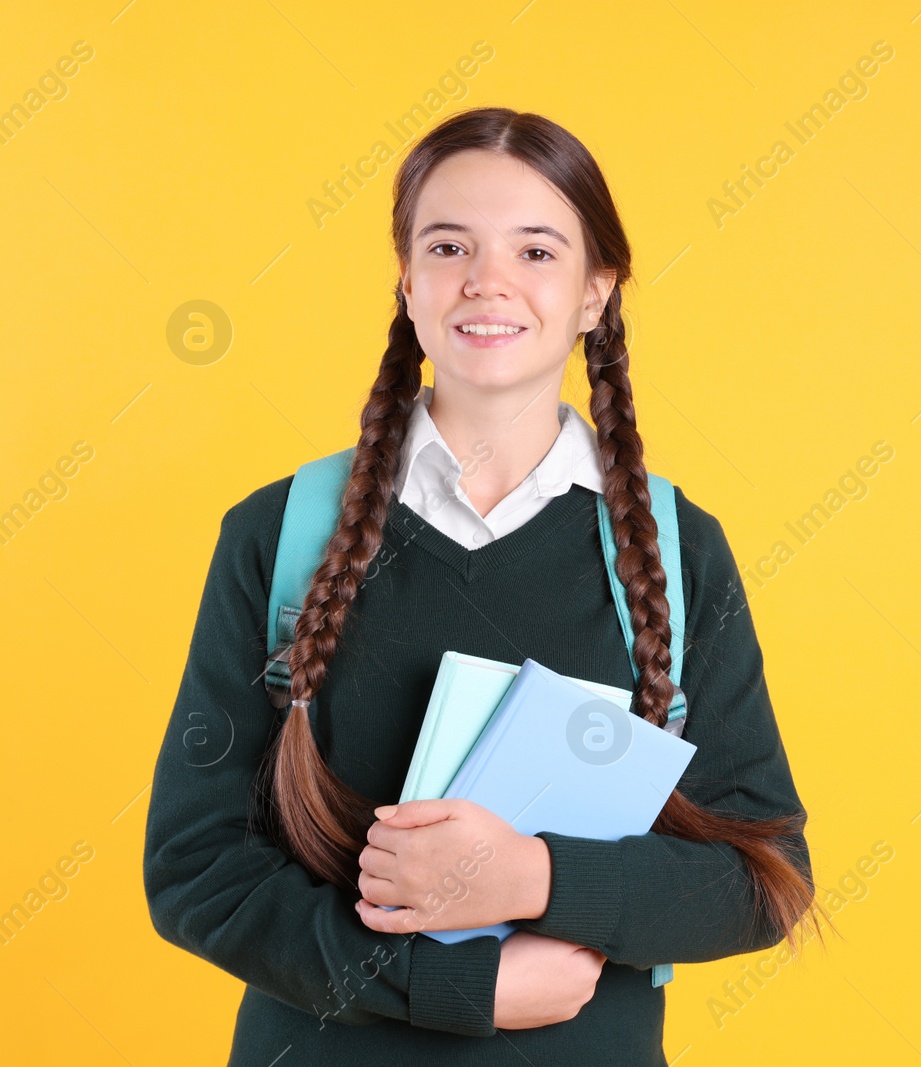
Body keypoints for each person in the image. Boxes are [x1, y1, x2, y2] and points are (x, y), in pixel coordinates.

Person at [143, 106, 817, 1065]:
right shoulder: (280, 533)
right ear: (409, 284)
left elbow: (762, 880)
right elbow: (196, 869)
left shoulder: (675, 550)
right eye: (449, 245)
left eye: (537, 251)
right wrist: (453, 982)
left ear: (597, 291)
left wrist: (536, 877)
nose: (487, 281)